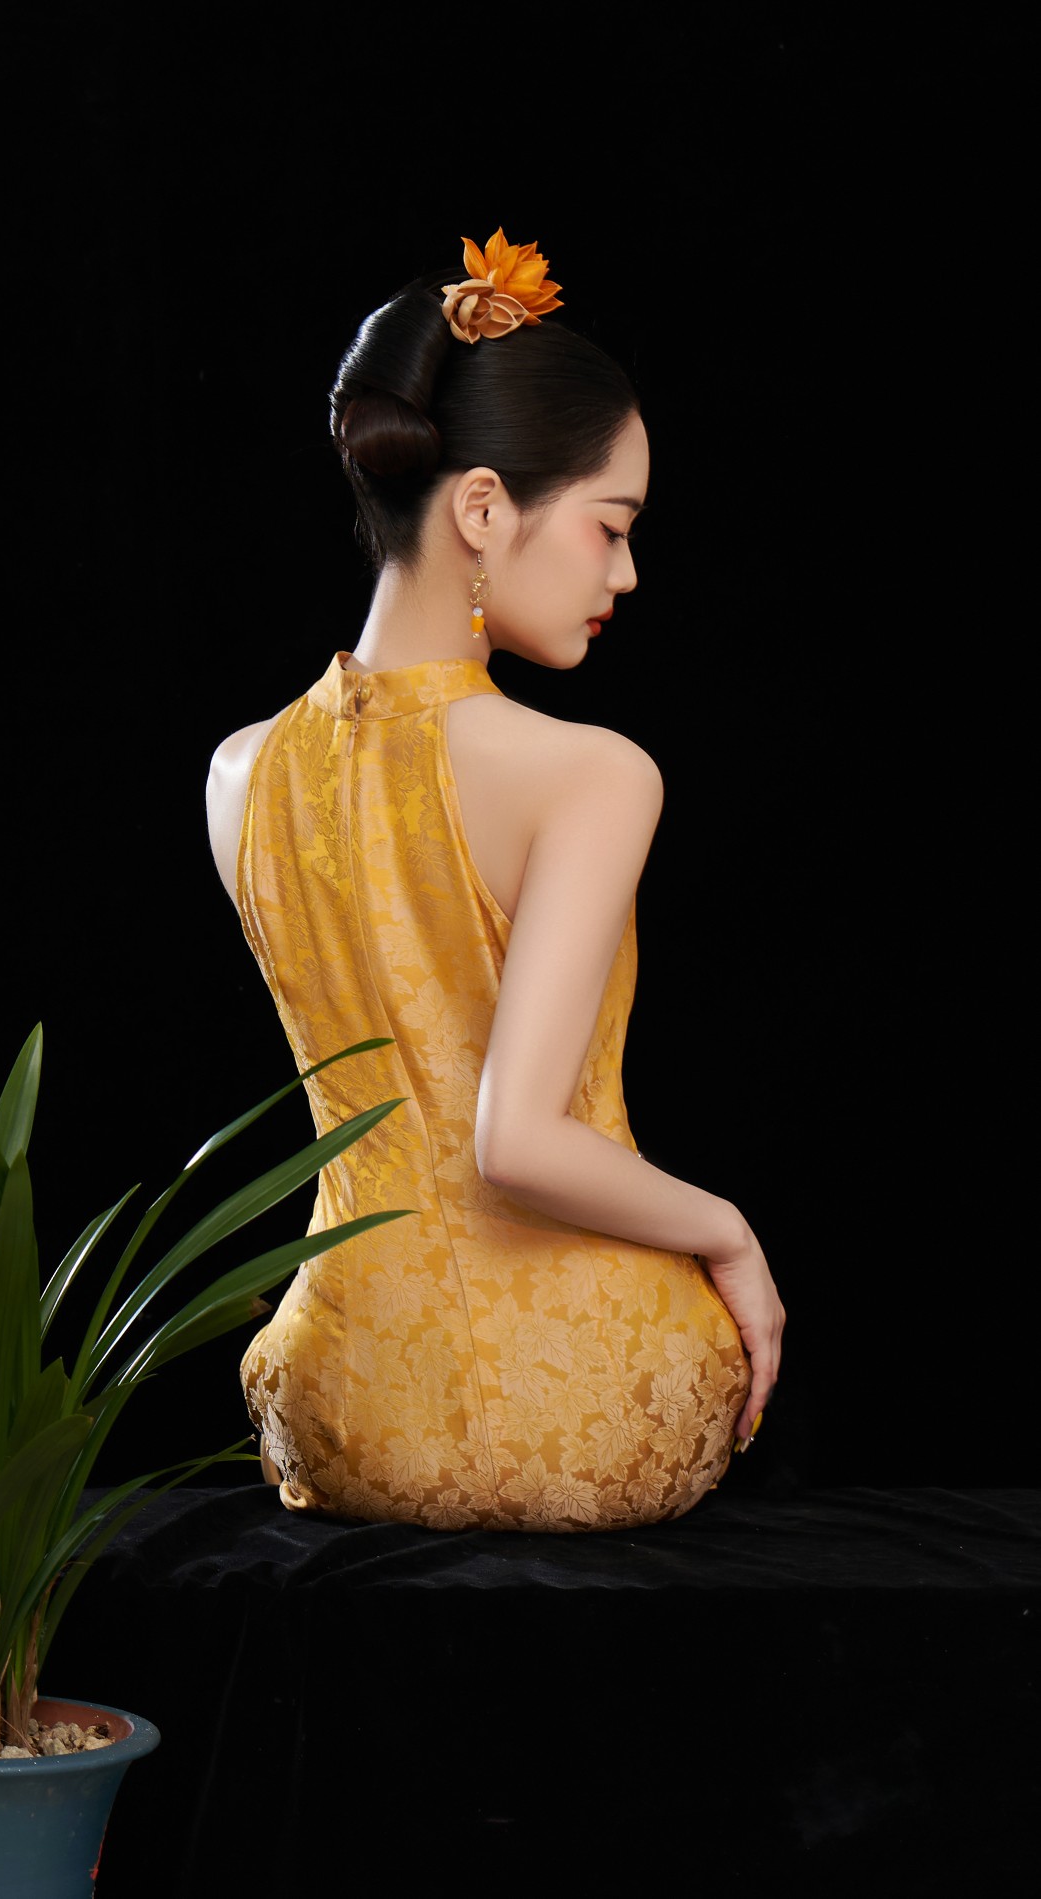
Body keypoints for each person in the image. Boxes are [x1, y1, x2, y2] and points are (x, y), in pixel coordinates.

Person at [205, 228, 785, 1531]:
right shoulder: (591, 774)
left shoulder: (241, 773)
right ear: (480, 508)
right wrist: (729, 1232)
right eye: (609, 526)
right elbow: (517, 1144)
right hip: (580, 1405)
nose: (624, 572)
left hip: (338, 1404)